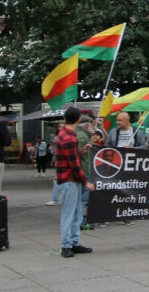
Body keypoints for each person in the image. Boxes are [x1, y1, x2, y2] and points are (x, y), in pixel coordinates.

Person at [55, 107, 95, 257]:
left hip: (66, 179)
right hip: (70, 180)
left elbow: (69, 157)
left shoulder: (63, 135)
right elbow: (74, 165)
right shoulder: (70, 138)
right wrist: (86, 183)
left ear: (65, 119)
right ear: (78, 120)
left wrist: (80, 152)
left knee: (75, 212)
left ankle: (72, 242)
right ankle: (67, 244)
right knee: (70, 213)